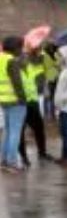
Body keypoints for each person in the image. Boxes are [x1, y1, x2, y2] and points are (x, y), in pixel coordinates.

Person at [17, 50, 52, 166]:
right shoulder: (15, 71)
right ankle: (24, 157)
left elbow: (38, 76)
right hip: (21, 104)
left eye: (26, 56)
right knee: (20, 132)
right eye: (23, 56)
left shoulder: (30, 68)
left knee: (39, 128)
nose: (25, 59)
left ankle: (42, 153)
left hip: (33, 103)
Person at [0, 37, 28, 173]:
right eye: (20, 47)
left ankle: (3, 161)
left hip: (3, 100)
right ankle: (12, 163)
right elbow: (17, 83)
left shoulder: (1, 58)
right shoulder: (11, 61)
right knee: (15, 133)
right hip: (16, 101)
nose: (21, 50)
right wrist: (23, 99)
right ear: (15, 48)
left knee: (7, 131)